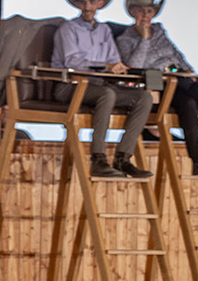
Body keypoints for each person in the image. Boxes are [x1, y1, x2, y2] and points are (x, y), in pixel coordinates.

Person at [52, 0, 153, 178]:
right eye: (83, 2)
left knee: (143, 98)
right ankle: (98, 159)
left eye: (92, 2)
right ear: (77, 4)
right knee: (107, 94)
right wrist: (104, 66)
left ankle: (123, 159)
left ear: (100, 4)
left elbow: (114, 58)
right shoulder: (68, 29)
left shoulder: (104, 31)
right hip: (70, 86)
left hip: (100, 85)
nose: (88, 7)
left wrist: (118, 67)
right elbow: (72, 62)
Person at [116, 0, 197, 176]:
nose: (145, 15)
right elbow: (134, 65)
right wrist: (144, 39)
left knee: (194, 95)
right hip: (157, 82)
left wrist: (188, 70)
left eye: (149, 11)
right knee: (189, 105)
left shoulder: (160, 32)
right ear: (132, 12)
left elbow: (176, 56)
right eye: (141, 11)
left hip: (180, 78)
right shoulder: (125, 38)